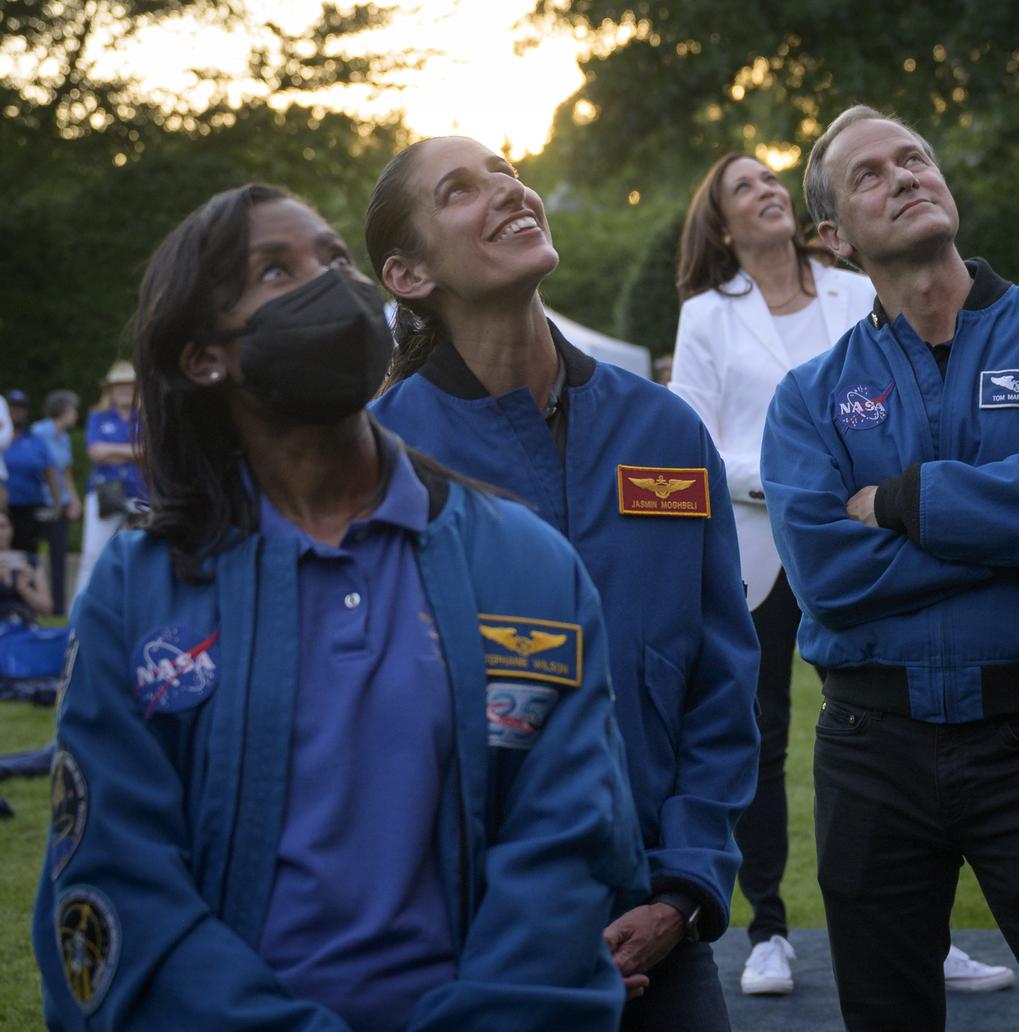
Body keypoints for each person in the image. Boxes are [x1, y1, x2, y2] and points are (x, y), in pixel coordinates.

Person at [32, 183, 648, 1031]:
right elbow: (115, 880)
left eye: (333, 257)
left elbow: (568, 852)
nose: (330, 282)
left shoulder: (525, 563)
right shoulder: (140, 589)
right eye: (276, 271)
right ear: (204, 358)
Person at [761, 105, 1019, 1030]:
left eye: (914, 158)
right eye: (869, 175)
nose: (904, 175)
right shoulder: (810, 397)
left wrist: (904, 502)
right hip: (871, 751)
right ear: (832, 237)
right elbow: (828, 577)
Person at [366, 136, 760, 1032]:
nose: (509, 190)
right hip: (463, 947)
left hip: (658, 923)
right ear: (408, 275)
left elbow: (720, 678)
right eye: (460, 190)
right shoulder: (378, 461)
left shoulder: (665, 430)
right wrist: (514, 931)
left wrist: (683, 888)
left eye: (506, 172)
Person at [669, 152, 1011, 997]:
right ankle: (767, 931)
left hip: (872, 539)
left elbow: (914, 409)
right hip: (760, 554)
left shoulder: (858, 292)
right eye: (745, 187)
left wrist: (875, 497)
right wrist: (800, 483)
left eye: (771, 179)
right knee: (761, 739)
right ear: (722, 227)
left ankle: (930, 939)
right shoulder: (707, 315)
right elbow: (693, 442)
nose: (768, 190)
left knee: (900, 728)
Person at [73, 361, 146, 598]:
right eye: (118, 386)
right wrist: (134, 452)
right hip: (105, 492)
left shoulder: (146, 417)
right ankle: (81, 609)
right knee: (93, 553)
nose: (124, 390)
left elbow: (151, 453)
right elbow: (96, 452)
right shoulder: (98, 416)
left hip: (140, 493)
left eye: (128, 385)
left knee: (140, 554)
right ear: (110, 390)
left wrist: (113, 451)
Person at [32, 390, 82, 615]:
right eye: (73, 410)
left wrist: (74, 500)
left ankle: (59, 608)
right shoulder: (38, 431)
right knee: (33, 552)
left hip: (60, 504)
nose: (76, 414)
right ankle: (34, 603)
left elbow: (65, 473)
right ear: (62, 410)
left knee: (59, 554)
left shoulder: (65, 438)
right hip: (39, 500)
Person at [2, 389, 60, 555]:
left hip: (30, 505)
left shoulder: (36, 440)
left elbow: (50, 472)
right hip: (3, 508)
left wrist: (56, 503)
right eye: (12, 407)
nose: (16, 411)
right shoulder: (2, 438)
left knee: (29, 553)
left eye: (20, 407)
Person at [0, 505, 52, 623]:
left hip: (22, 621)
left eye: (3, 526)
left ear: (12, 529)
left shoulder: (29, 560)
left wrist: (24, 589)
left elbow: (46, 608)